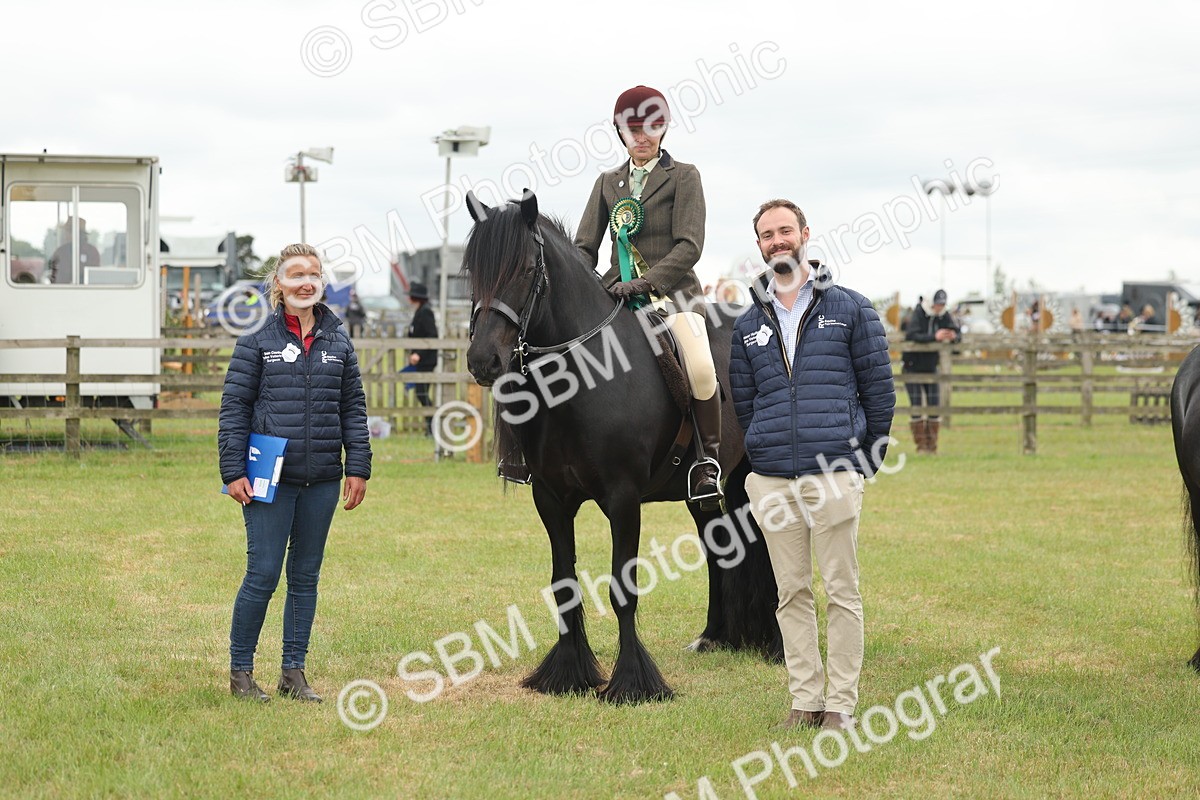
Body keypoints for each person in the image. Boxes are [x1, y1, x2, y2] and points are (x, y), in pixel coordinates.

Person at [729, 199, 895, 732]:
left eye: (784, 231)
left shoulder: (850, 308)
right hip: (774, 478)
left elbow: (880, 394)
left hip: (834, 474)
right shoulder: (748, 323)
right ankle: (805, 701)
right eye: (766, 235)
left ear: (804, 234)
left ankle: (841, 706)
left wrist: (860, 463)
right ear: (759, 245)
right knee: (791, 593)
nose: (777, 241)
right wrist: (763, 451)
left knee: (842, 593)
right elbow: (745, 400)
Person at [218, 243, 372, 703]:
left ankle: (293, 673)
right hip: (268, 478)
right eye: (297, 275)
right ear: (279, 285)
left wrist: (358, 466)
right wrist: (232, 471)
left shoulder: (338, 342)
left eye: (315, 275)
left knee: (305, 578)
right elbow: (234, 409)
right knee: (263, 574)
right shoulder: (255, 343)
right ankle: (241, 674)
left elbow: (353, 409)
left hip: (323, 478)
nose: (307, 282)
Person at [575, 84, 721, 502]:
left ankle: (706, 462)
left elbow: (689, 246)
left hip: (674, 297)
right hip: (615, 297)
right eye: (632, 129)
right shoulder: (607, 183)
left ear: (664, 128)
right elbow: (585, 247)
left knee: (701, 367)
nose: (642, 137)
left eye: (650, 128)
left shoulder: (685, 176)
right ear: (620, 132)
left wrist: (645, 282)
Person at [901, 289, 960, 454]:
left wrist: (953, 335)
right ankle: (921, 447)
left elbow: (957, 332)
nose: (939, 307)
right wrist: (935, 336)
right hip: (912, 366)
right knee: (917, 406)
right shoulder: (919, 312)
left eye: (942, 304)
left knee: (934, 406)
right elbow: (912, 334)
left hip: (931, 366)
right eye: (937, 303)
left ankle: (932, 447)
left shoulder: (944, 315)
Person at [405, 281, 438, 436]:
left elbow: (432, 335)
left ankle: (431, 428)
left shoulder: (426, 312)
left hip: (426, 361)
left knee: (422, 393)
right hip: (420, 362)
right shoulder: (420, 311)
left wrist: (418, 353)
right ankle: (429, 428)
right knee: (421, 393)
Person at [47, 217, 102, 284]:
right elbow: (54, 276)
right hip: (62, 291)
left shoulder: (91, 252)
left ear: (77, 233)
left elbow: (94, 277)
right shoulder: (60, 252)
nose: (64, 235)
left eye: (67, 231)